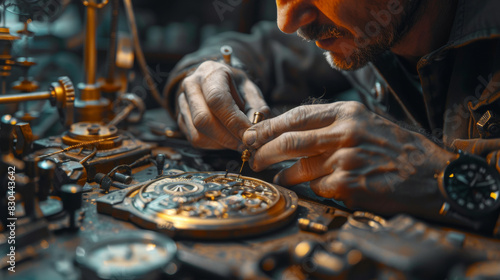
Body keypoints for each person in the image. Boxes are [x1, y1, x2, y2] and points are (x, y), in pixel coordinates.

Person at [164, 0, 500, 230]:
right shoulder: (362, 30)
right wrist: (206, 76)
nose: (287, 21)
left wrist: (439, 176)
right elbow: (263, 47)